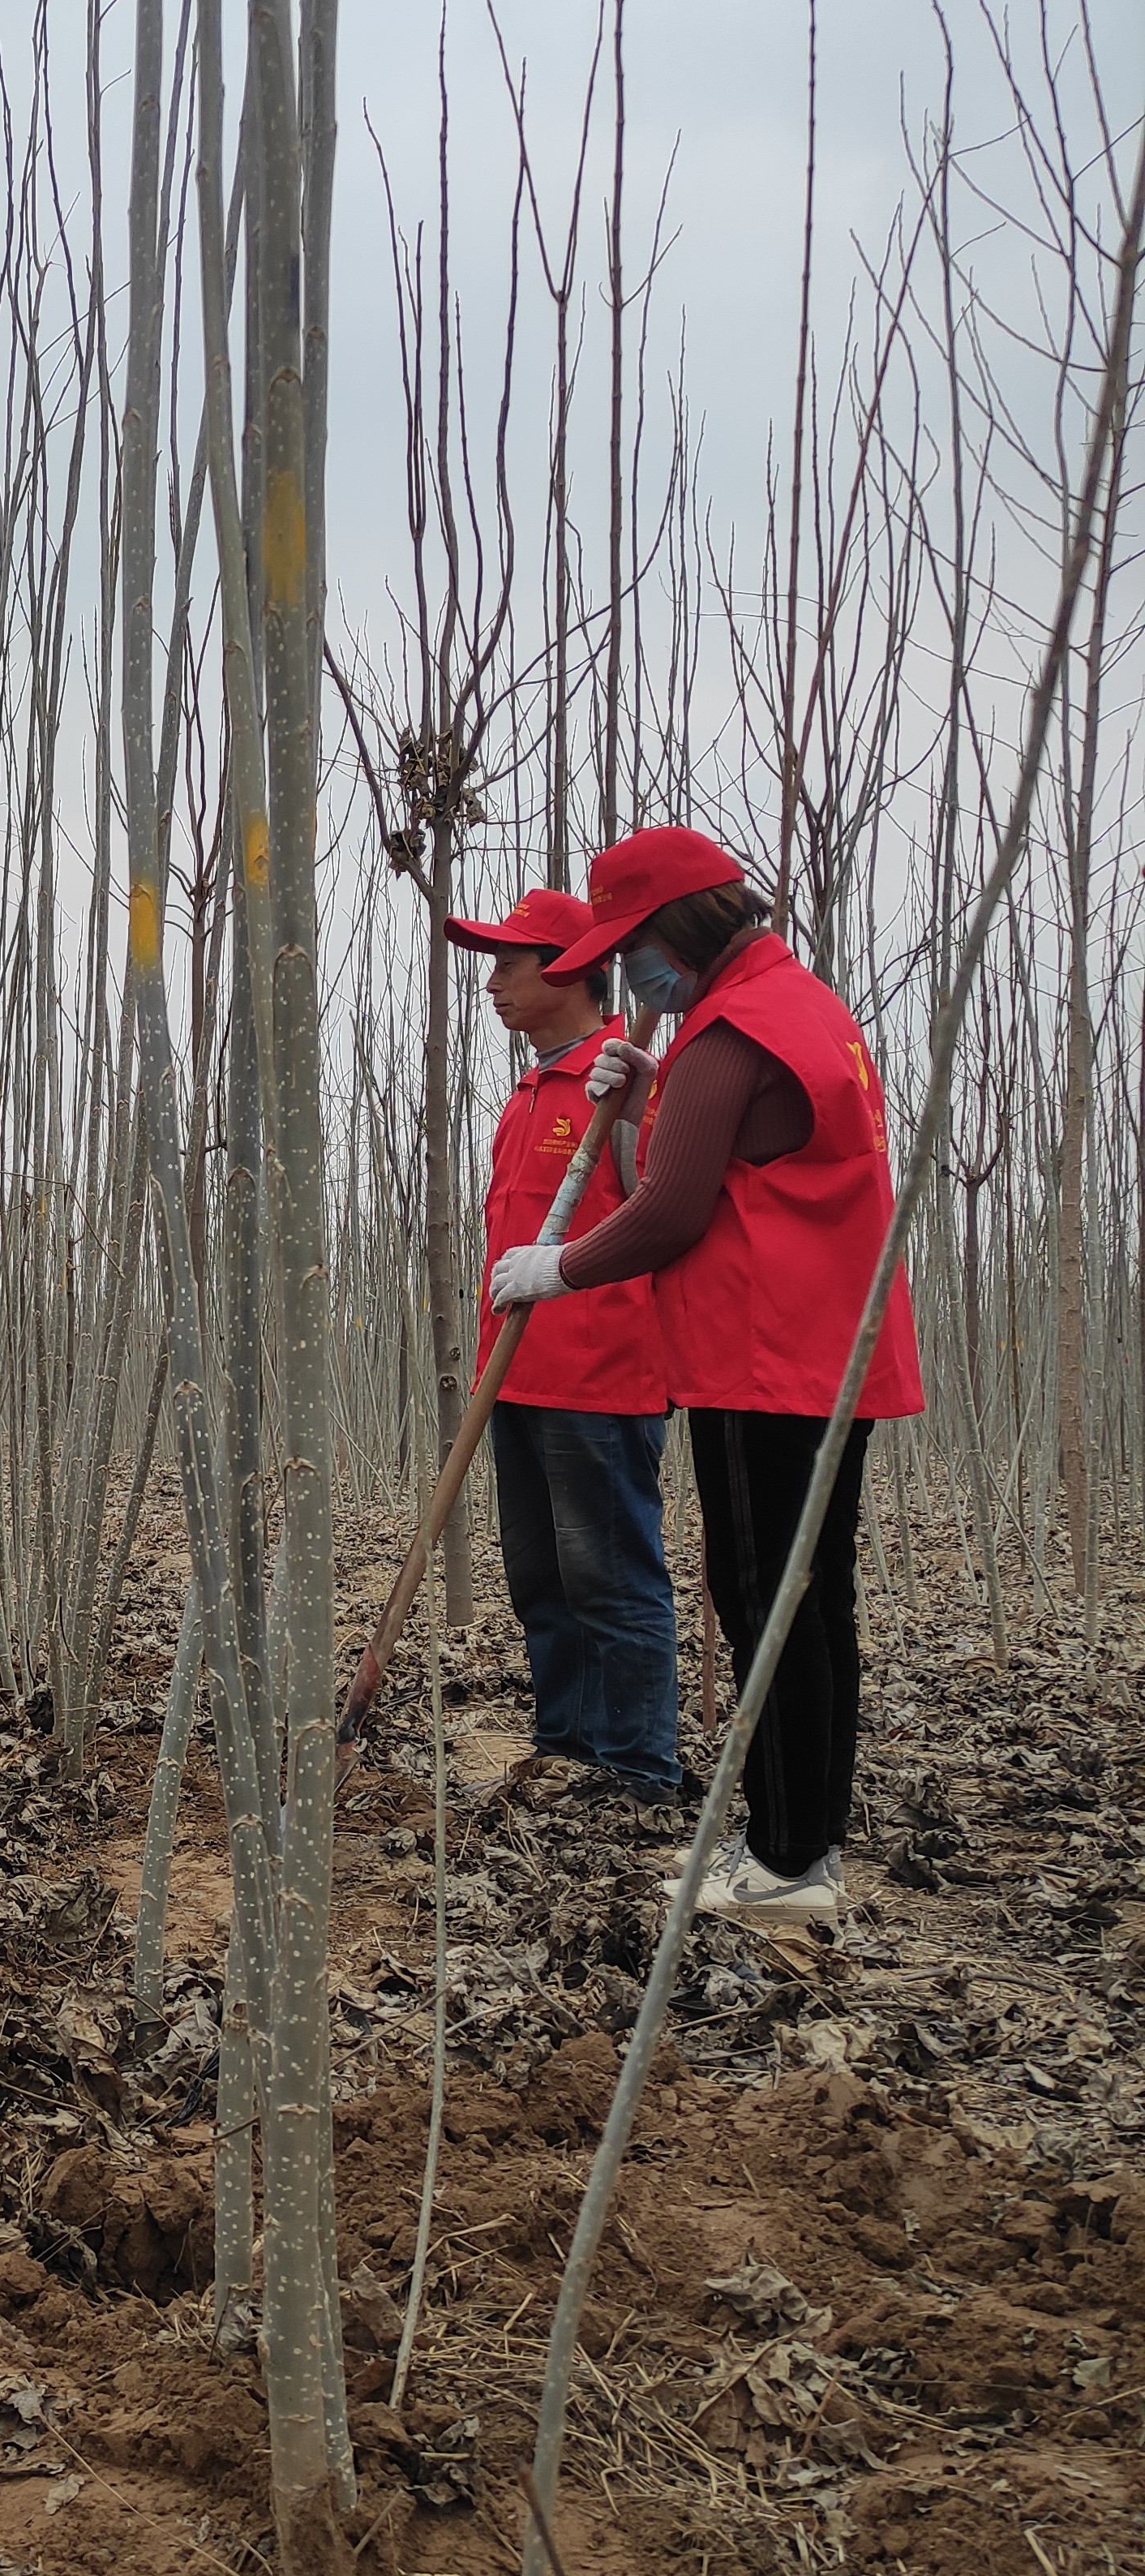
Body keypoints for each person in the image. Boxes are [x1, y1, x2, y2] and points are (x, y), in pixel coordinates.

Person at [491, 826, 922, 1929]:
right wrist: (653, 1096)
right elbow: (737, 1152)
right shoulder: (793, 1007)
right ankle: (802, 1841)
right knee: (811, 1602)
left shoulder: (735, 1027)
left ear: (683, 923)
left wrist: (559, 1267)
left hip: (765, 1353)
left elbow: (676, 1209)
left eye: (636, 943)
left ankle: (781, 1861)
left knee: (766, 1602)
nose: (631, 970)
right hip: (825, 1350)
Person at [447, 884, 679, 1806]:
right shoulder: (527, 1091)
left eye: (510, 963)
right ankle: (566, 1747)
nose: (492, 982)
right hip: (515, 1376)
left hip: (602, 1377)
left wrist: (638, 1109)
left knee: (609, 1578)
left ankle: (633, 1768)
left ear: (571, 970)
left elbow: (671, 1204)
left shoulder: (622, 1082)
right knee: (540, 1577)